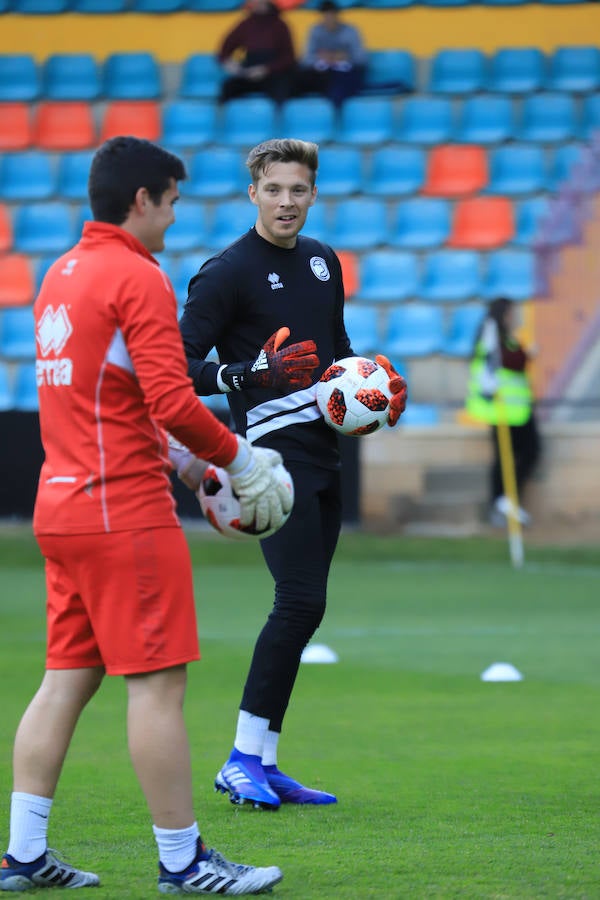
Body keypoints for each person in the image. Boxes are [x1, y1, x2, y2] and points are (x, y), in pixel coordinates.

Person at [0, 136, 290, 895]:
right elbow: (169, 399)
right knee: (157, 686)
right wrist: (240, 458)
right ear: (142, 201)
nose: (173, 215)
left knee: (64, 679)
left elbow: (119, 402)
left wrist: (192, 467)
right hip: (121, 512)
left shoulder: (59, 275)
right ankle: (183, 860)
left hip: (60, 504)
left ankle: (24, 853)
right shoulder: (137, 275)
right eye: (171, 200)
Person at [179, 138, 407, 811]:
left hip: (327, 452)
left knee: (308, 605)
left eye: (298, 190)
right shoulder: (225, 273)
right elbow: (173, 365)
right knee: (299, 602)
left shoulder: (321, 261)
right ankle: (241, 759)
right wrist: (241, 375)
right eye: (273, 189)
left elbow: (337, 353)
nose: (286, 202)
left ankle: (265, 760)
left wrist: (375, 388)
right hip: (272, 463)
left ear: (313, 194)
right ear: (252, 192)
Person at [467, 297, 541, 527]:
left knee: (520, 454)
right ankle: (501, 502)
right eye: (511, 313)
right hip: (504, 410)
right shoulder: (492, 340)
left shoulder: (505, 339)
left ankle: (504, 501)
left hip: (516, 409)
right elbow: (511, 362)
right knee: (509, 457)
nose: (514, 317)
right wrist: (527, 354)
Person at [216, 0, 297, 105]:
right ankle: (224, 119)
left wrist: (266, 69)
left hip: (274, 74)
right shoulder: (245, 25)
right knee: (229, 87)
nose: (258, 4)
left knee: (282, 91)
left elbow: (288, 58)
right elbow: (224, 50)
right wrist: (229, 63)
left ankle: (279, 119)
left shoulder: (280, 26)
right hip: (250, 72)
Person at [296, 0, 367, 106]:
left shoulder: (350, 31)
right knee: (299, 82)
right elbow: (305, 60)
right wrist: (321, 58)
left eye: (332, 15)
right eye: (326, 16)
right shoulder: (316, 30)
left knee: (340, 87)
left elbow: (362, 59)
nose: (329, 19)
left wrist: (345, 57)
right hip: (322, 74)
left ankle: (337, 116)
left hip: (345, 73)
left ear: (337, 15)